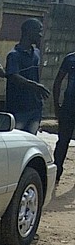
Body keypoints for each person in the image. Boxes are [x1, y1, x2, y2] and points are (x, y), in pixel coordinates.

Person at [5, 18, 51, 134]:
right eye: (38, 31)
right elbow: (14, 76)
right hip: (19, 108)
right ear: (28, 31)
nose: (40, 35)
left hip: (35, 107)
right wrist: (35, 86)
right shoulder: (14, 55)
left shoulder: (36, 52)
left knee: (31, 140)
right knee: (16, 140)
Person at [52, 51, 75, 184]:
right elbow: (58, 81)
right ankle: (56, 174)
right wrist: (56, 105)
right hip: (68, 107)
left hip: (67, 108)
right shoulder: (70, 58)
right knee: (62, 142)